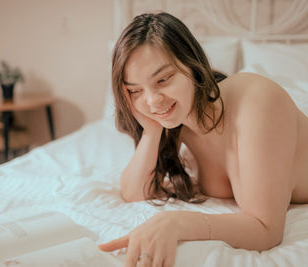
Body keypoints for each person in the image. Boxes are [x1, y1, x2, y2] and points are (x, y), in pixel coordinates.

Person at [98, 12, 308, 267]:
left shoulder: (259, 103)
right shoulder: (176, 120)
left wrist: (176, 223)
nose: (153, 101)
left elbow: (266, 229)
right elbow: (134, 193)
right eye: (135, 90)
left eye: (163, 79)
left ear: (192, 65)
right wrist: (152, 131)